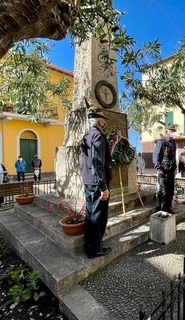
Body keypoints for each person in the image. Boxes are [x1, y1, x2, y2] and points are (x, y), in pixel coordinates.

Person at [80, 104, 113, 259]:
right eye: (104, 120)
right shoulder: (98, 136)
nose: (105, 123)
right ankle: (95, 249)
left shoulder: (87, 136)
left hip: (88, 181)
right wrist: (103, 187)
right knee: (98, 216)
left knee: (90, 215)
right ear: (100, 122)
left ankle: (90, 246)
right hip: (97, 183)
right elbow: (97, 163)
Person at [153, 123, 177, 214]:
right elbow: (156, 156)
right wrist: (158, 168)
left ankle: (168, 208)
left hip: (171, 170)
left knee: (170, 190)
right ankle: (162, 209)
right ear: (166, 131)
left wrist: (175, 168)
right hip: (163, 170)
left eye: (174, 131)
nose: (173, 133)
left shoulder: (172, 143)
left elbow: (174, 157)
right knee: (163, 191)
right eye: (172, 131)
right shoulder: (161, 142)